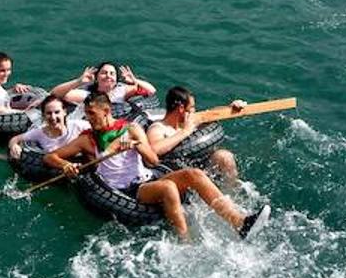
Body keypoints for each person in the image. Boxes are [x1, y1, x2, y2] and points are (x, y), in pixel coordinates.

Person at [45, 94, 270, 241]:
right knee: (168, 189)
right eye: (87, 114)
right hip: (129, 189)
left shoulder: (131, 129)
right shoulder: (87, 139)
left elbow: (153, 160)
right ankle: (186, 243)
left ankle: (240, 222)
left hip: (147, 176)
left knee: (195, 174)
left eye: (92, 114)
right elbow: (50, 157)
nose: (88, 118)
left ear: (106, 111)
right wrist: (66, 165)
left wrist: (136, 146)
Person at [147, 86, 240, 181]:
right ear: (181, 108)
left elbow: (212, 113)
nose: (194, 110)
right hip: (173, 172)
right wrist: (185, 131)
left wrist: (230, 107)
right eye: (192, 107)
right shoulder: (158, 128)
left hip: (198, 164)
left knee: (225, 157)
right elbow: (153, 150)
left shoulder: (188, 121)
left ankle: (232, 192)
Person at [7, 96, 85, 161]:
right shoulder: (39, 133)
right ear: (43, 116)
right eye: (49, 113)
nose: (53, 117)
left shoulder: (77, 125)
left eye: (57, 112)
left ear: (64, 112)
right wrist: (14, 146)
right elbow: (15, 139)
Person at [51, 61, 156, 108]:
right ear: (96, 78)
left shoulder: (122, 91)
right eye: (104, 73)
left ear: (116, 79)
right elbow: (55, 94)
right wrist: (79, 81)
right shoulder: (88, 95)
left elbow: (151, 91)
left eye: (112, 74)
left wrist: (134, 80)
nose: (108, 76)